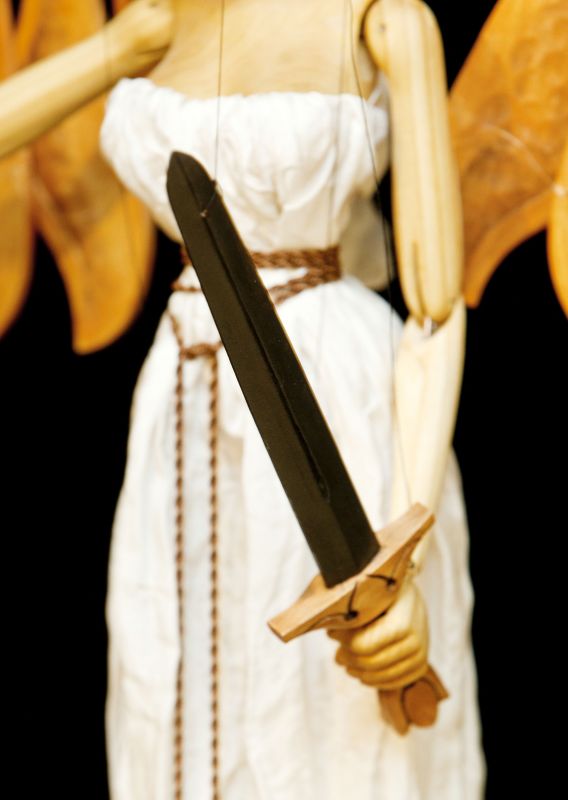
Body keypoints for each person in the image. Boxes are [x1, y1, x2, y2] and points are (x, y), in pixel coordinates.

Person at [0, 1, 484, 797]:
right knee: (177, 674)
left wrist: (400, 568)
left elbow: (435, 315)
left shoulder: (383, 20)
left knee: (331, 723)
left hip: (330, 401)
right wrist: (117, 46)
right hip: (185, 398)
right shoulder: (160, 17)